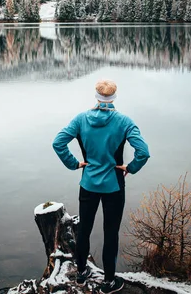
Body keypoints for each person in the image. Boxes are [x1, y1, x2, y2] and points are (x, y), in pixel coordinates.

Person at [52, 79, 150, 294]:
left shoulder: (80, 120)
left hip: (88, 184)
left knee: (84, 230)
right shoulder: (124, 122)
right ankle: (108, 282)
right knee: (111, 233)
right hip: (114, 186)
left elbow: (58, 142)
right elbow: (143, 152)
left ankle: (81, 273)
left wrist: (74, 163)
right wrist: (130, 167)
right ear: (114, 97)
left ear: (96, 96)